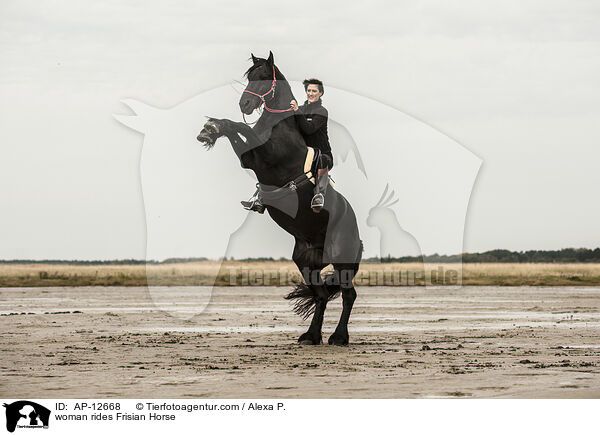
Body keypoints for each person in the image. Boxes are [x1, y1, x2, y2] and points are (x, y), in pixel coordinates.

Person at [241, 78, 333, 214]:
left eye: (314, 91)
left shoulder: (321, 111)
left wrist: (296, 111)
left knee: (321, 160)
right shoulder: (300, 109)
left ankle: (319, 195)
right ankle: (260, 199)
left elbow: (308, 129)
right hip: (301, 153)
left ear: (320, 93)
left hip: (320, 154)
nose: (311, 93)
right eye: (309, 90)